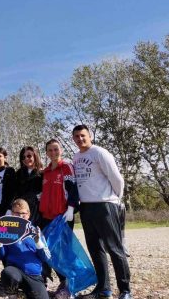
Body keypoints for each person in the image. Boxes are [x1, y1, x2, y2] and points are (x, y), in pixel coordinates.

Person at [72, 125, 131, 299]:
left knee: (114, 248)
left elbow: (116, 179)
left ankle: (125, 289)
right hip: (86, 207)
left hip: (105, 205)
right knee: (95, 249)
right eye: (76, 136)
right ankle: (103, 288)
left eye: (82, 135)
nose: (80, 139)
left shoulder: (100, 153)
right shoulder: (76, 157)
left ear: (89, 136)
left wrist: (114, 199)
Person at [39, 139, 79, 297]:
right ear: (47, 152)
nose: (53, 153)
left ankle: (70, 286)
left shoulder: (66, 167)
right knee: (50, 252)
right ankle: (64, 282)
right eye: (50, 150)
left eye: (56, 149)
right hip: (47, 217)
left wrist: (71, 208)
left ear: (60, 150)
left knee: (64, 252)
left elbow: (73, 189)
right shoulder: (46, 171)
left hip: (62, 216)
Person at [0, 199, 51, 299]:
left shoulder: (35, 231)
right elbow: (1, 255)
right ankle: (13, 295)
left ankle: (26, 294)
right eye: (17, 213)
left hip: (34, 274)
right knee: (7, 273)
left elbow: (45, 257)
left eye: (23, 213)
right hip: (15, 271)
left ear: (28, 214)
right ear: (12, 214)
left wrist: (38, 242)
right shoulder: (7, 232)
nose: (20, 216)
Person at [11, 146, 43, 226]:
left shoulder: (42, 173)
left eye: (29, 156)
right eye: (23, 157)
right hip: (21, 211)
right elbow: (14, 192)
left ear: (35, 156)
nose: (26, 159)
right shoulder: (18, 173)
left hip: (37, 211)